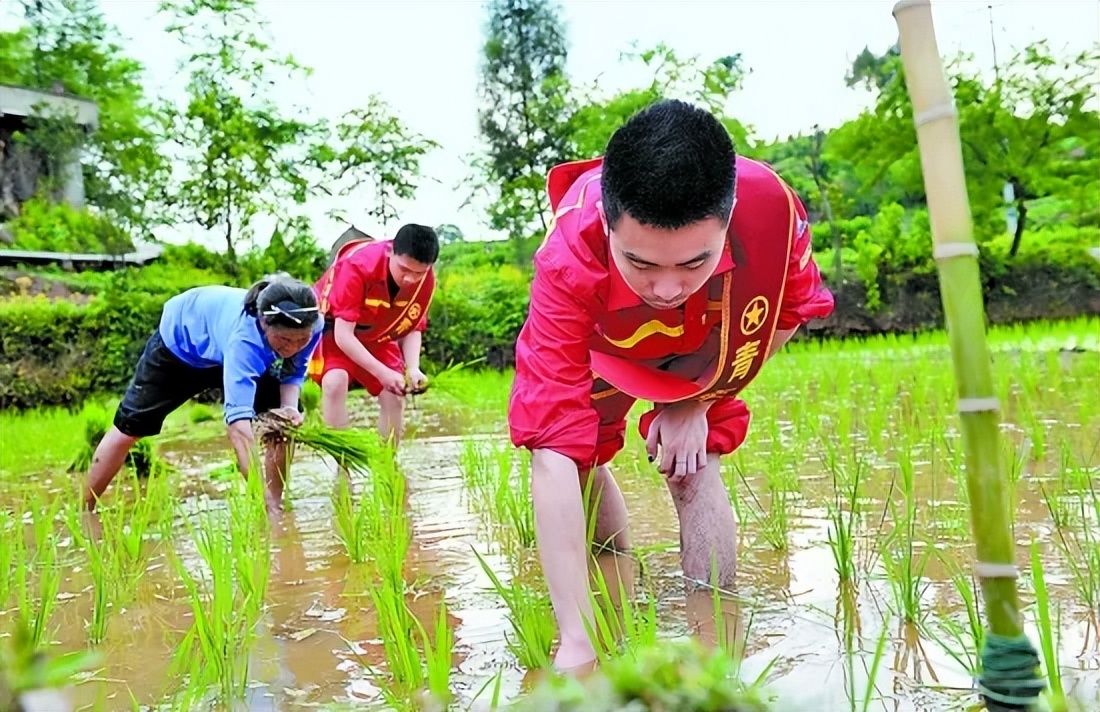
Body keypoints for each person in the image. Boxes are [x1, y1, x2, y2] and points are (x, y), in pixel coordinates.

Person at [508, 99, 836, 672]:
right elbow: (551, 443)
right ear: (608, 223)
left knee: (693, 460)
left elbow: (787, 312)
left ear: (727, 219)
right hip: (605, 341)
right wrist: (576, 642)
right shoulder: (567, 253)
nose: (665, 287)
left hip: (702, 334)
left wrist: (699, 400)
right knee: (582, 462)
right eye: (640, 262)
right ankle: (612, 595)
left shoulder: (771, 213)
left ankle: (717, 651)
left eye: (691, 262)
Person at [83, 275, 323, 515]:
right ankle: (85, 509)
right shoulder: (245, 341)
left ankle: (275, 502)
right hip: (180, 347)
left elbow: (293, 372)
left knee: (283, 427)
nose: (292, 347)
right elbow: (239, 430)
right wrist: (257, 499)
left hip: (224, 341)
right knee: (129, 428)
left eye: (301, 339)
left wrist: (289, 408)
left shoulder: (314, 324)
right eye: (283, 339)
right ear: (263, 321)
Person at [309, 223, 439, 445]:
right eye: (404, 270)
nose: (410, 279)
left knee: (395, 395)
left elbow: (412, 325)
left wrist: (413, 367)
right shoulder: (358, 266)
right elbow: (343, 336)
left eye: (419, 273)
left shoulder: (424, 281)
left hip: (378, 334)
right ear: (391, 252)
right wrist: (383, 373)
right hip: (337, 330)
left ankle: (387, 463)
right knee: (334, 382)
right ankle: (343, 465)